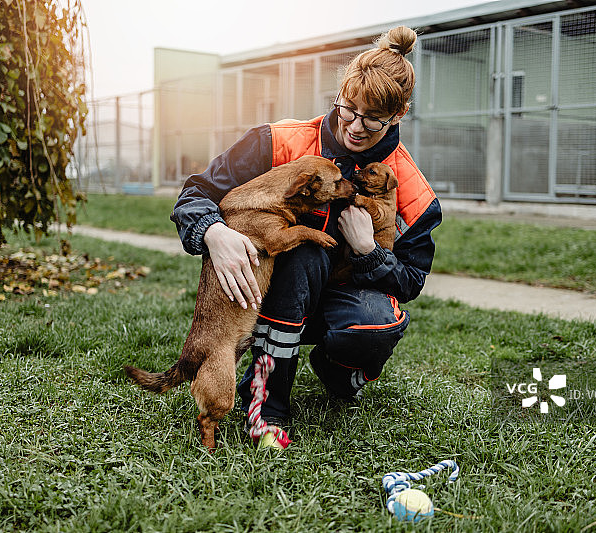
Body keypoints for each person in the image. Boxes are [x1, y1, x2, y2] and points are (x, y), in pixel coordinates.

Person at [170, 26, 441, 442]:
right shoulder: (278, 141)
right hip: (278, 295)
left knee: (373, 327)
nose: (355, 125)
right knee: (302, 252)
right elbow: (196, 192)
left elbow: (411, 281)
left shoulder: (411, 188)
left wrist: (368, 250)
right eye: (348, 108)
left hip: (344, 301)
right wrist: (212, 232)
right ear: (341, 94)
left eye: (373, 118)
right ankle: (266, 402)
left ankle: (337, 369)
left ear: (399, 115)